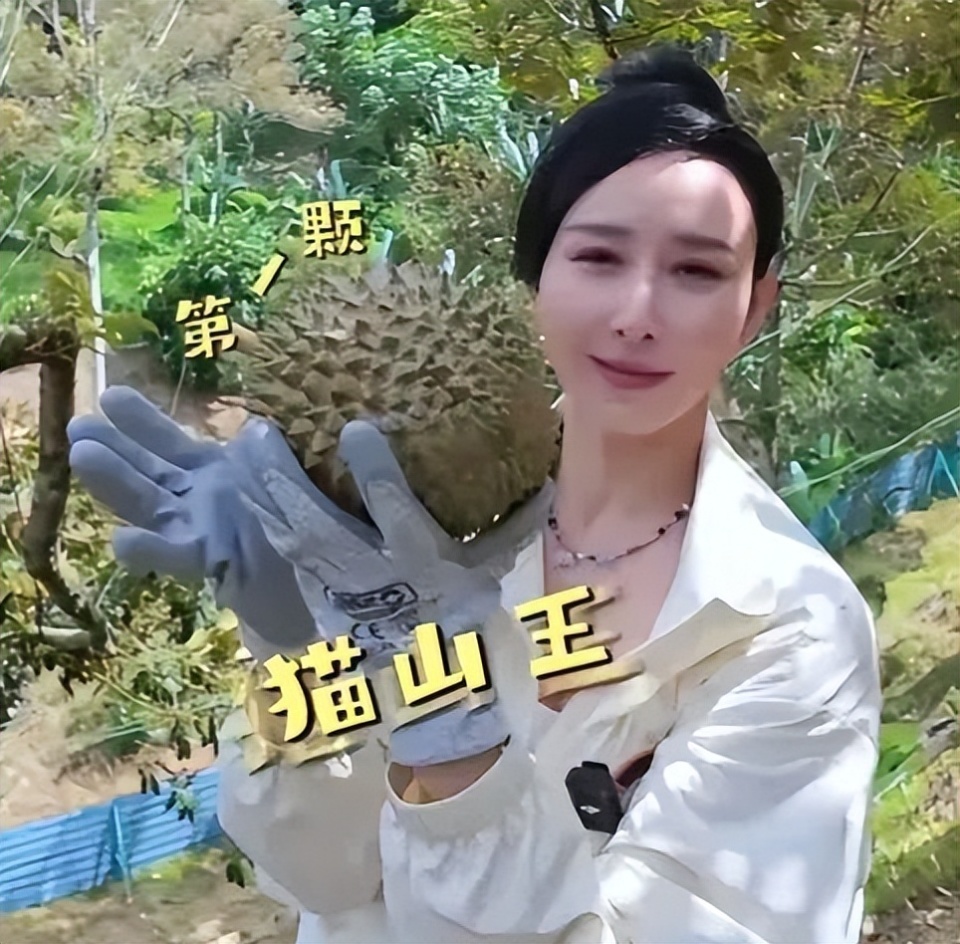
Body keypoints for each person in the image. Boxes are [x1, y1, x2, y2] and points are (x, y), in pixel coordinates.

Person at [68, 45, 881, 944]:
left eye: (697, 271)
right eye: (598, 256)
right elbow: (317, 872)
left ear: (755, 306)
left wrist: (451, 729)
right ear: (536, 278)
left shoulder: (795, 628)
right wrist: (296, 649)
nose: (637, 314)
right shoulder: (388, 519)